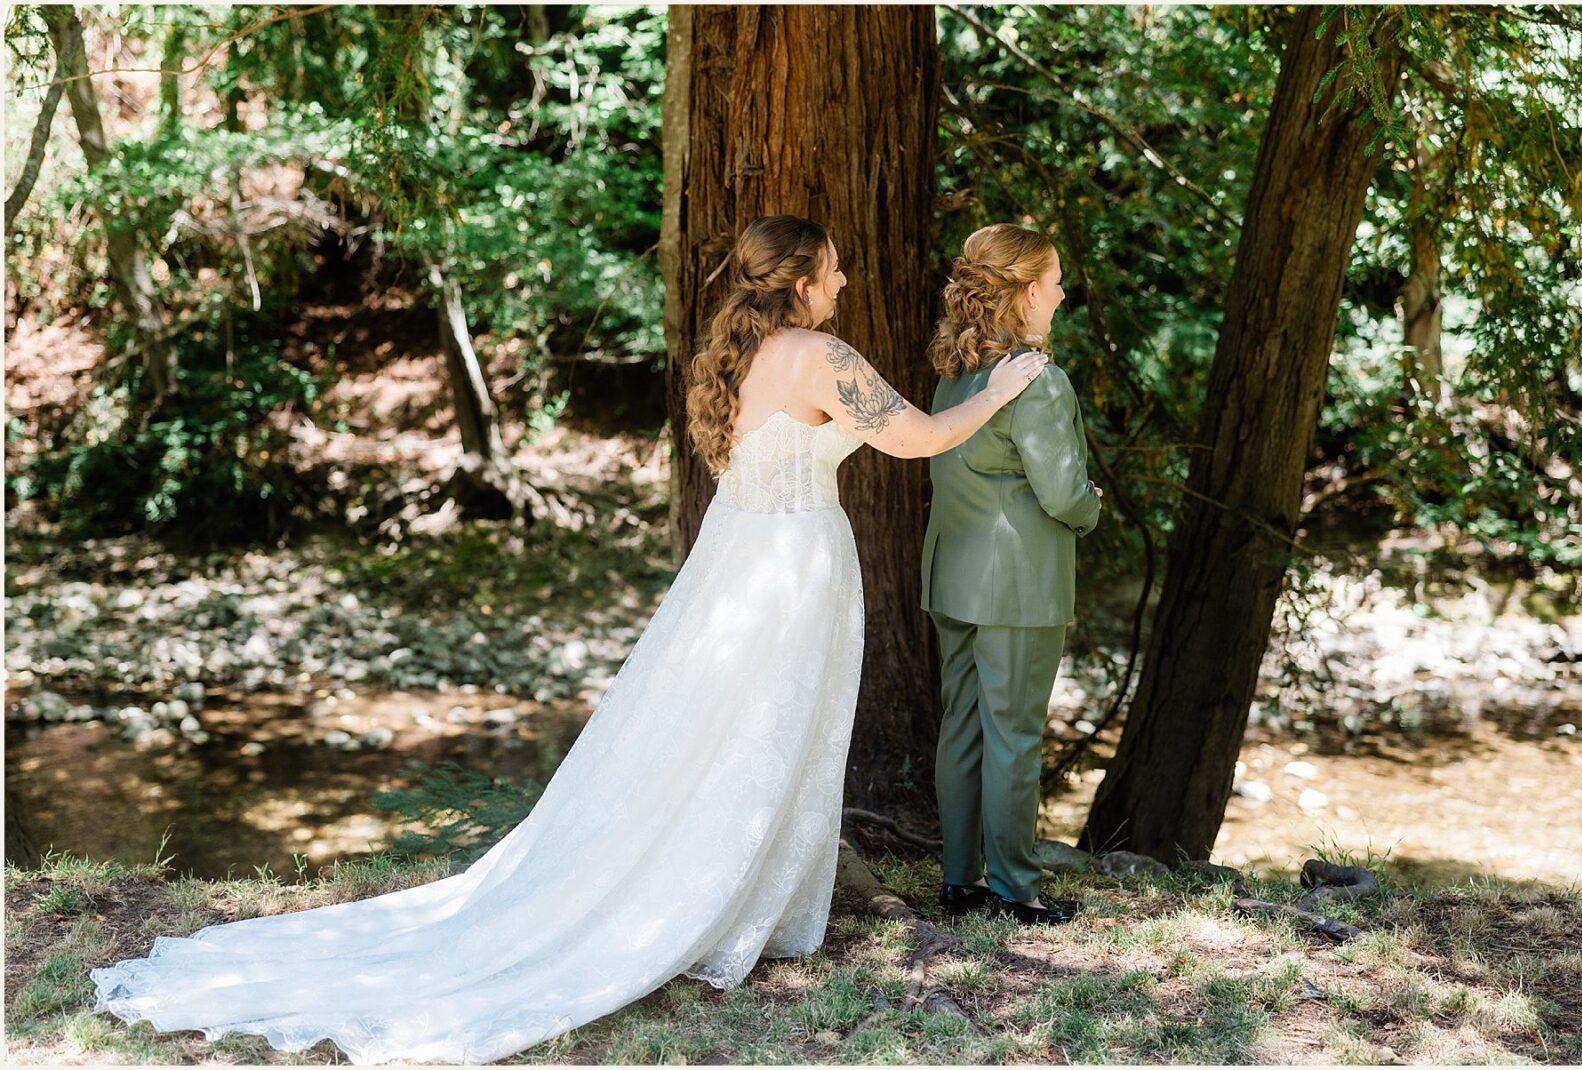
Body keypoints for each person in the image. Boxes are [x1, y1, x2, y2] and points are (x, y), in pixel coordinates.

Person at [88, 215, 1049, 1065]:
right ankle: (719, 902)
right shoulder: (820, 355)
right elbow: (917, 438)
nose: (843, 280)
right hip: (789, 566)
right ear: (800, 281)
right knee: (764, 728)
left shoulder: (743, 352)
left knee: (720, 728)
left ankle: (737, 891)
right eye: (833, 268)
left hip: (739, 558)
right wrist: (998, 390)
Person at [921, 223, 1104, 926]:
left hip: (952, 573)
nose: (1060, 295)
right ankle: (1016, 891)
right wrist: (1091, 507)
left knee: (963, 727)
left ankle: (960, 880)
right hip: (1018, 583)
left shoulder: (956, 374)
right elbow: (1063, 493)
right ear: (1028, 292)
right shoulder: (1035, 380)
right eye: (1054, 284)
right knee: (1014, 736)